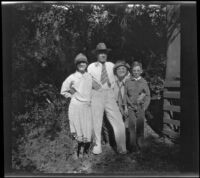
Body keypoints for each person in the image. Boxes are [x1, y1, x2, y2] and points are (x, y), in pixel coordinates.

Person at [87, 42, 127, 155]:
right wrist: (92, 83)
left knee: (118, 120)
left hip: (110, 94)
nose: (103, 55)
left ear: (107, 54)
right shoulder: (91, 66)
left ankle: (122, 148)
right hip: (96, 94)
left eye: (104, 53)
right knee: (96, 121)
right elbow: (86, 79)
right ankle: (97, 147)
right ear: (96, 55)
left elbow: (121, 74)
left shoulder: (111, 65)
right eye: (100, 53)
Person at [60, 53, 93, 159]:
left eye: (84, 62)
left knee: (87, 129)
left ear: (87, 64)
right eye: (79, 62)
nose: (82, 64)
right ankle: (77, 152)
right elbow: (63, 91)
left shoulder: (90, 76)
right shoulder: (72, 77)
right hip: (76, 107)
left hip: (87, 106)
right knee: (78, 129)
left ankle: (86, 151)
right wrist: (72, 96)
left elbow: (97, 89)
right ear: (76, 64)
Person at [124, 61, 151, 152]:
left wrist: (145, 107)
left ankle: (140, 144)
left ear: (141, 71)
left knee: (140, 126)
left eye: (138, 70)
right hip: (131, 108)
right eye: (134, 70)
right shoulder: (128, 82)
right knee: (131, 127)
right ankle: (133, 146)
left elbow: (148, 95)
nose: (136, 72)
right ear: (131, 71)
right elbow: (125, 95)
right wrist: (127, 106)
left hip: (140, 108)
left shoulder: (144, 82)